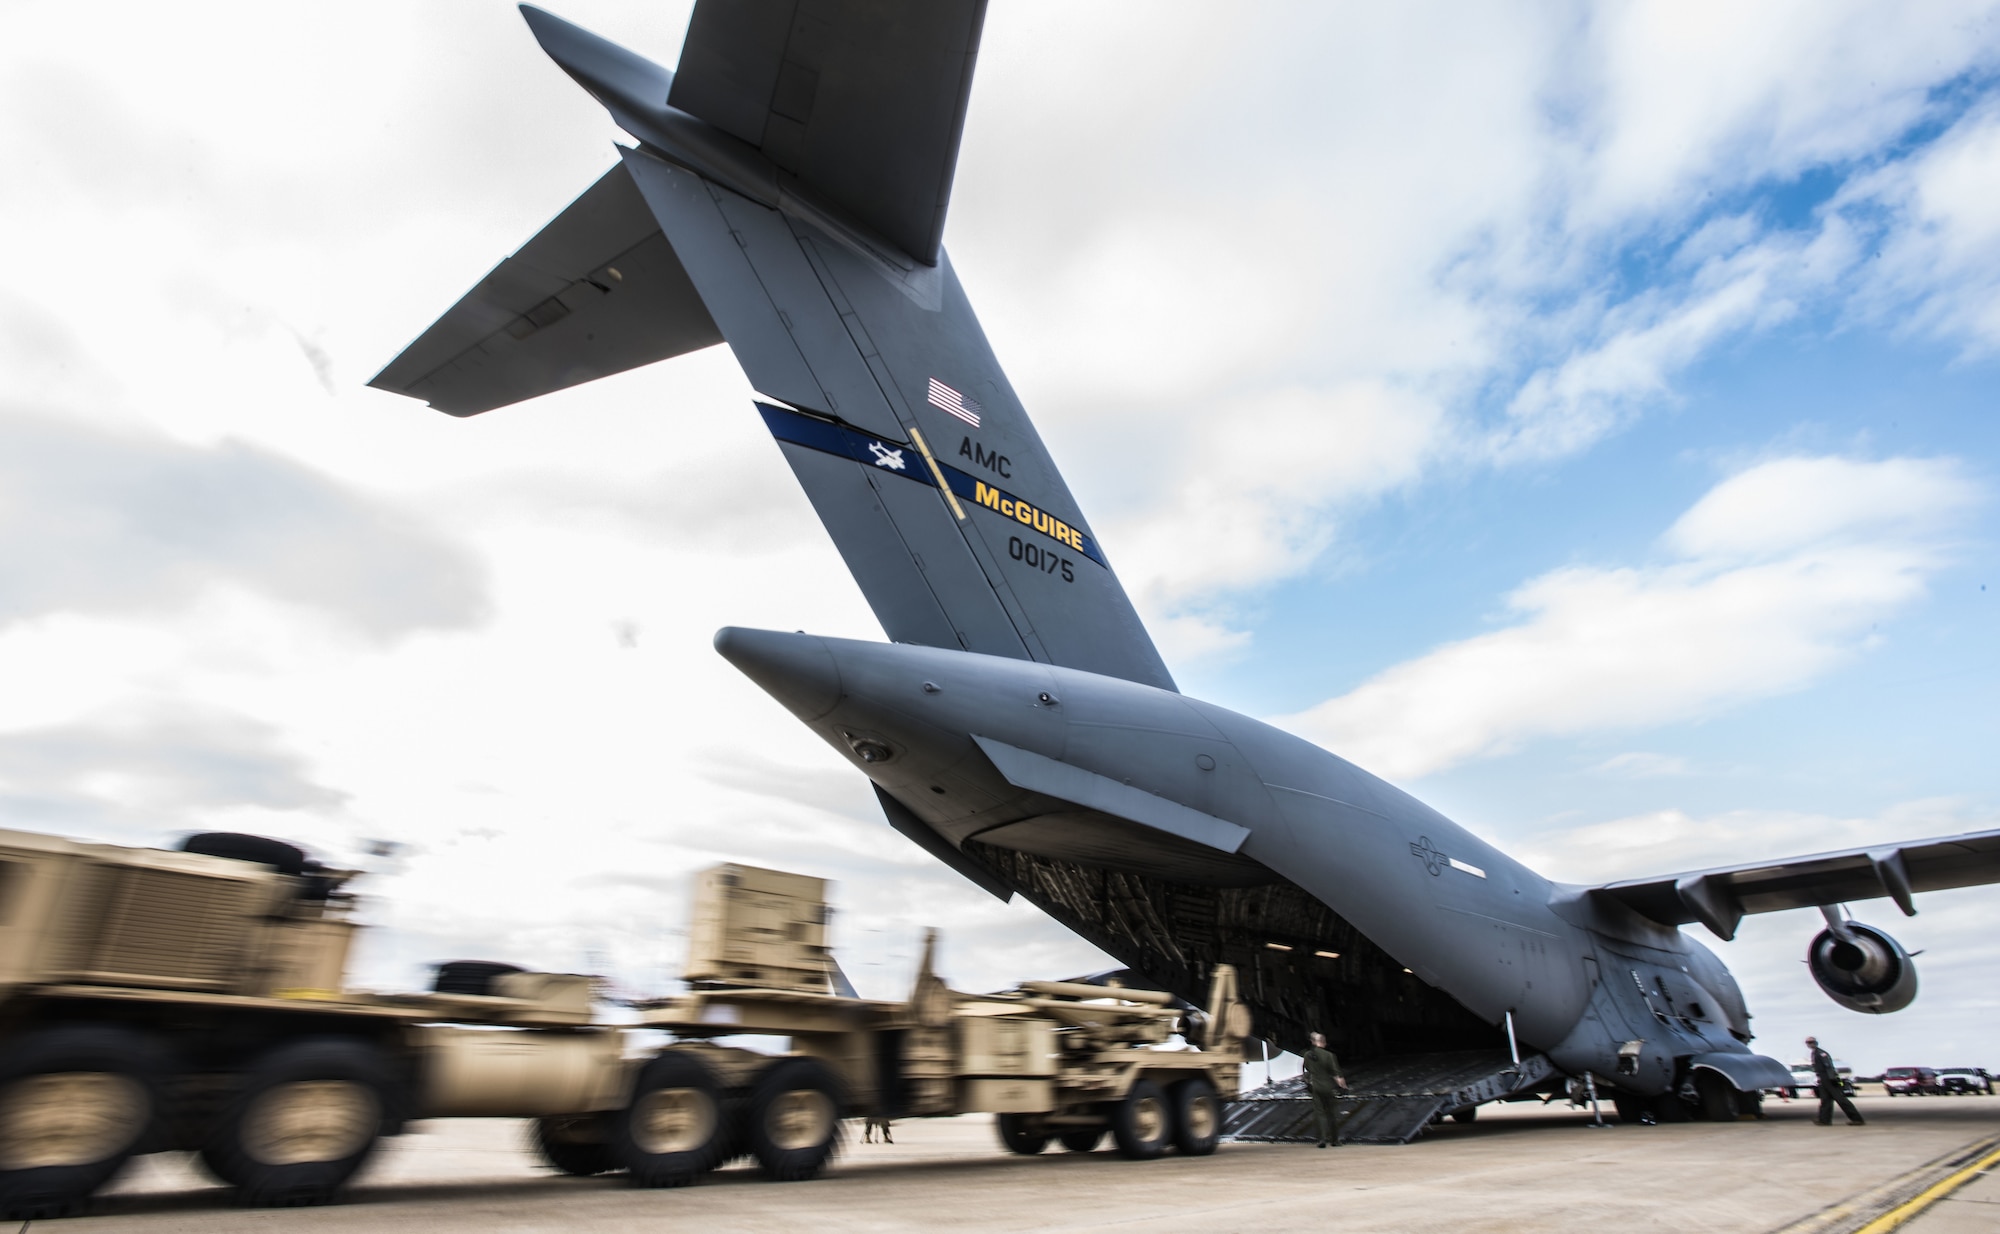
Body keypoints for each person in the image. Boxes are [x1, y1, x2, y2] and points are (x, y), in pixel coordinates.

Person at [1302, 1031, 1350, 1148]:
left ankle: (1322, 1139)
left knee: (1320, 1113)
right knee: (1332, 1113)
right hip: (1327, 1087)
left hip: (1315, 1087)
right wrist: (1343, 1086)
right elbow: (1336, 1074)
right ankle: (1335, 1140)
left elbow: (1306, 1071)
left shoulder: (1307, 1055)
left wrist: (1308, 1083)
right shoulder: (1329, 1056)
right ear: (1323, 1042)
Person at [1806, 1036, 1864, 1126]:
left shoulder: (1821, 1053)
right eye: (1808, 1043)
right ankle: (1824, 1120)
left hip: (1828, 1078)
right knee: (1825, 1100)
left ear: (1816, 1042)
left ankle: (1857, 1119)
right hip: (1822, 1078)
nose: (1810, 1044)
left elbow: (1828, 1066)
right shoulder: (1815, 1053)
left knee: (1840, 1099)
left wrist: (1832, 1078)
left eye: (1811, 1042)